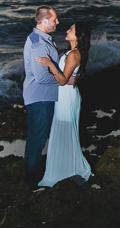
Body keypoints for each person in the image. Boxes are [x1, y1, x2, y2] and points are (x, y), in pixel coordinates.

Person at [36, 22, 93, 187]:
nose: (67, 30)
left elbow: (62, 80)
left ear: (78, 36)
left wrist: (51, 65)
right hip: (65, 95)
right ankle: (65, 169)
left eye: (71, 29)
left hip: (67, 96)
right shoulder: (72, 53)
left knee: (64, 132)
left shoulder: (74, 55)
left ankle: (66, 170)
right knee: (63, 133)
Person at [22, 5, 60, 188]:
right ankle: (32, 183)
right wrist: (62, 79)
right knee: (37, 140)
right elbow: (41, 77)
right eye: (54, 19)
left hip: (40, 97)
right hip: (40, 99)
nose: (57, 22)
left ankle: (32, 178)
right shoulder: (38, 44)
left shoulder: (40, 39)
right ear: (44, 21)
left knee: (36, 139)